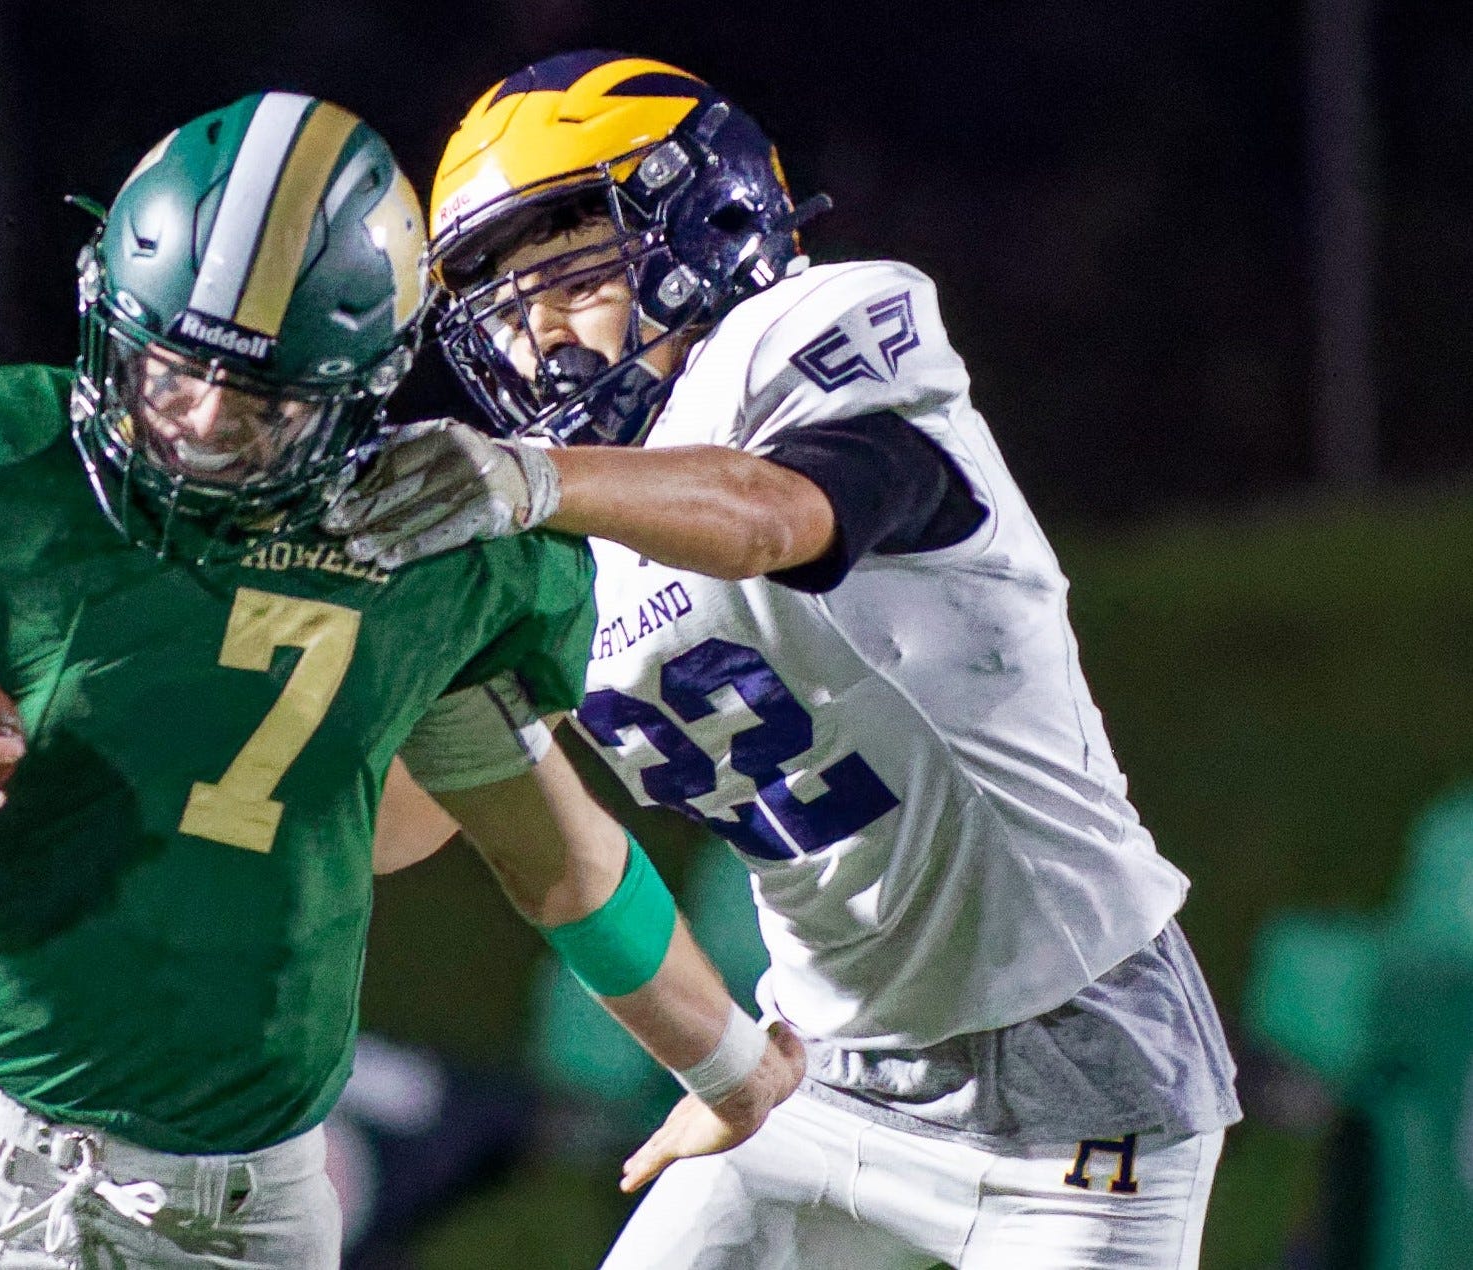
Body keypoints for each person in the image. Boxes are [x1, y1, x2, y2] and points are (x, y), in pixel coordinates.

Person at [0, 91, 799, 1270]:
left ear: (355, 387)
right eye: (166, 367)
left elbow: (557, 858)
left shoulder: (434, 547)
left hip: (236, 1226)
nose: (192, 416)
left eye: (248, 391)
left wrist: (738, 1075)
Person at [328, 52, 1242, 1269]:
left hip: (1075, 1073)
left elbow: (784, 515)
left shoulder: (796, 334)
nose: (537, 322)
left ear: (705, 223)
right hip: (819, 1069)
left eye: (571, 263)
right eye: (500, 296)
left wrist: (531, 483)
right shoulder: (557, 521)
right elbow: (415, 811)